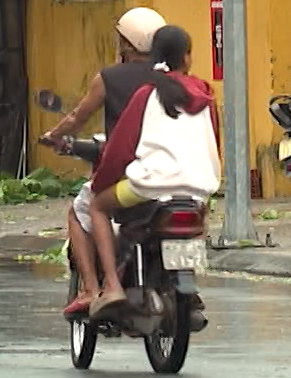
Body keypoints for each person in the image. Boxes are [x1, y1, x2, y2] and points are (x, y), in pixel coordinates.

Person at [85, 23, 221, 319]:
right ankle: (191, 282)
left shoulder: (146, 94)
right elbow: (214, 140)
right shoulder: (205, 93)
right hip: (199, 184)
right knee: (201, 214)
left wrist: (102, 181)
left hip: (148, 186)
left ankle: (111, 287)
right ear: (187, 58)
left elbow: (121, 147)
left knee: (97, 206)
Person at [43, 7, 167, 316]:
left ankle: (94, 288)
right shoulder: (177, 79)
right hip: (176, 176)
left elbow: (77, 118)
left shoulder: (109, 79)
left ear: (126, 45)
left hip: (131, 177)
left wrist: (53, 136)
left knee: (82, 209)